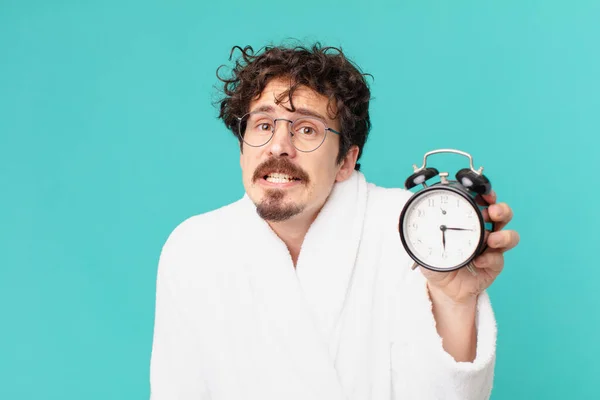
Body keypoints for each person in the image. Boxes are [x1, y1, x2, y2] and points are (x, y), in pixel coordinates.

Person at [148, 42, 520, 400]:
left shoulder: (408, 231)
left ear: (345, 161)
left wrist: (454, 301)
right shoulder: (194, 249)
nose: (278, 146)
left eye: (306, 129)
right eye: (263, 125)